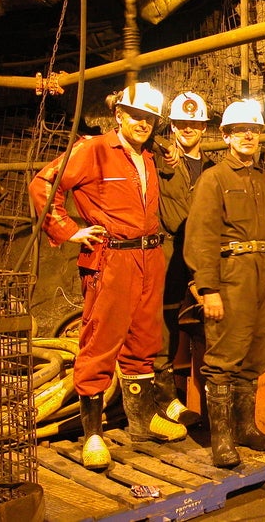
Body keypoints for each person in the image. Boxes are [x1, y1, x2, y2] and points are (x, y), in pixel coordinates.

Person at [28, 82, 187, 470]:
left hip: (150, 256)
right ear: (119, 115)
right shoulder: (94, 149)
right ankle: (93, 434)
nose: (142, 124)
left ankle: (142, 420)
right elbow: (43, 183)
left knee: (144, 339)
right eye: (136, 115)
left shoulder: (148, 154)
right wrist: (69, 230)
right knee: (100, 341)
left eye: (149, 118)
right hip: (111, 260)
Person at [184, 99, 265, 468]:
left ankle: (246, 428)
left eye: (254, 130)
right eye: (239, 130)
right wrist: (208, 288)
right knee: (223, 357)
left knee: (254, 355)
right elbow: (200, 236)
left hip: (264, 273)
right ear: (226, 136)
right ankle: (223, 440)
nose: (248, 135)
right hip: (230, 276)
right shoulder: (213, 179)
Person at [152, 91, 215, 426]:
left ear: (204, 127)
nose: (188, 128)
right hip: (168, 252)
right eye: (181, 122)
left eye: (194, 123)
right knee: (164, 324)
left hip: (203, 255)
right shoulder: (158, 158)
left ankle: (199, 398)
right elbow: (138, 135)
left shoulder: (214, 170)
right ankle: (166, 397)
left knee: (200, 326)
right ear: (172, 125)